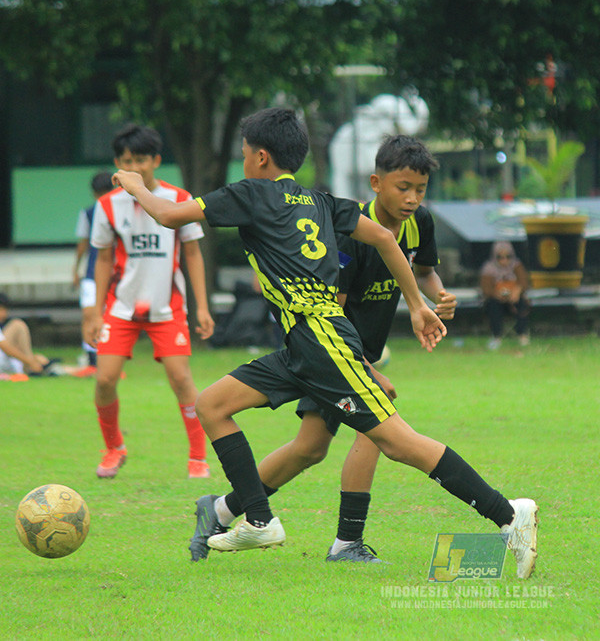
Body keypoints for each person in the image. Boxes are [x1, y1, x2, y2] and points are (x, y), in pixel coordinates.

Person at [112, 108, 538, 578]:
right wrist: (417, 303)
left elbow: (170, 214)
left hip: (322, 338)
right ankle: (257, 517)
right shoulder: (320, 200)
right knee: (212, 404)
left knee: (398, 443)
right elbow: (382, 238)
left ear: (259, 156)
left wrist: (134, 184)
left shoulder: (252, 193)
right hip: (302, 342)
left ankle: (507, 514)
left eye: (243, 155)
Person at [189, 134, 458, 564]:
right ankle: (346, 542)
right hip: (330, 349)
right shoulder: (351, 234)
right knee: (375, 425)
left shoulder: (419, 223)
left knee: (309, 448)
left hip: (347, 351)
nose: (410, 199)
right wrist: (366, 368)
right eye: (402, 188)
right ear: (376, 182)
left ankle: (221, 508)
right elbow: (332, 310)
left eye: (419, 190)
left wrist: (436, 297)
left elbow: (423, 270)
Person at [84, 124, 215, 480]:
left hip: (166, 308)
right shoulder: (107, 206)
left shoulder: (177, 198)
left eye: (141, 159)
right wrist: (95, 312)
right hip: (121, 307)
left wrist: (201, 307)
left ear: (156, 160)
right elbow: (104, 261)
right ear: (117, 164)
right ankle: (114, 449)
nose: (136, 167)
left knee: (180, 378)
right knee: (105, 380)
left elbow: (193, 254)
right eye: (127, 161)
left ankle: (198, 458)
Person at [72, 171, 115, 377]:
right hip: (91, 273)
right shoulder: (88, 214)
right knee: (89, 314)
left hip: (116, 274)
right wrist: (75, 269)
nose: (102, 198)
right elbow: (82, 244)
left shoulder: (121, 212)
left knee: (111, 317)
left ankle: (109, 360)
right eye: (99, 194)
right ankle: (91, 358)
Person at [0, 292, 65, 380]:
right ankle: (31, 366)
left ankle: (67, 370)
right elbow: (5, 348)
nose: (3, 314)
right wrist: (29, 361)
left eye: (4, 310)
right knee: (18, 325)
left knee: (40, 359)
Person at [479, 241, 530, 350]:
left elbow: (524, 283)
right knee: (493, 305)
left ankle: (522, 335)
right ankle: (496, 336)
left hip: (514, 299)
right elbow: (486, 289)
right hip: (496, 300)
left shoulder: (517, 266)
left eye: (508, 257)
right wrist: (498, 294)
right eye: (500, 257)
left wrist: (516, 291)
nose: (504, 260)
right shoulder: (488, 268)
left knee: (522, 303)